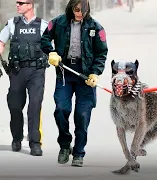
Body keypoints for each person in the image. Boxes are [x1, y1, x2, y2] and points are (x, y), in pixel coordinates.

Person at [40, 0, 108, 167]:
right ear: (71, 7)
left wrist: (95, 72)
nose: (80, 14)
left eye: (83, 11)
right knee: (61, 109)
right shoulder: (57, 23)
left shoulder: (96, 27)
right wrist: (52, 52)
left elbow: (101, 53)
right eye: (77, 10)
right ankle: (64, 146)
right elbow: (44, 39)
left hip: (85, 75)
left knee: (82, 115)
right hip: (65, 72)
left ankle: (79, 152)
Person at [0, 0, 49, 156]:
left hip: (37, 71)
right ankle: (17, 137)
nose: (18, 5)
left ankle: (35, 142)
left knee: (34, 105)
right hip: (17, 71)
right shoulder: (12, 24)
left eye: (22, 2)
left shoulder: (43, 25)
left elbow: (51, 46)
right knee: (15, 105)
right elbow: (1, 42)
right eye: (17, 2)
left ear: (30, 5)